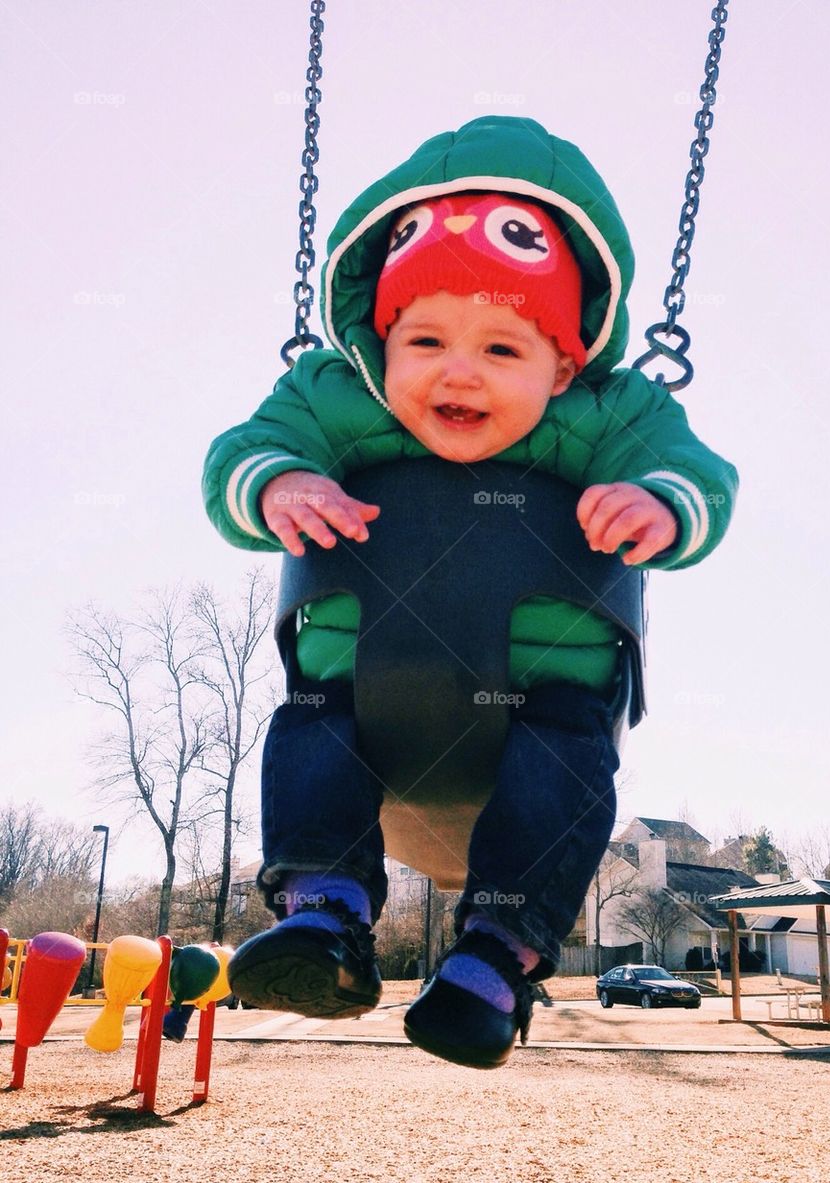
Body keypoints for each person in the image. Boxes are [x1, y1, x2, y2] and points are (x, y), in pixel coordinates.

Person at [202, 116, 738, 1068]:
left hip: (548, 703)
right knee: (308, 731)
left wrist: (660, 503)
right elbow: (241, 455)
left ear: (565, 364)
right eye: (427, 339)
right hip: (362, 684)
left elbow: (695, 472)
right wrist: (281, 482)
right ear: (382, 338)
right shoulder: (336, 397)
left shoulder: (612, 414)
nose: (458, 370)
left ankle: (493, 961)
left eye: (502, 350)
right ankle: (326, 918)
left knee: (562, 775)